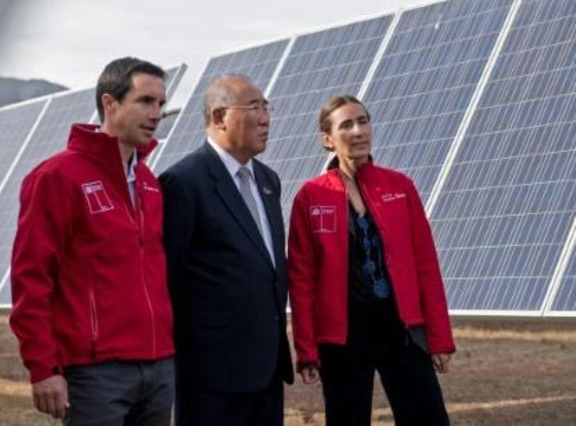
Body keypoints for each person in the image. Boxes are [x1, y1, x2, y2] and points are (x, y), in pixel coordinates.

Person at [10, 57, 175, 425]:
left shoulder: (150, 183)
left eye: (161, 104)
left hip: (158, 368)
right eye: (145, 101)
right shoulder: (57, 177)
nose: (156, 114)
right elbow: (31, 278)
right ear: (109, 103)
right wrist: (43, 367)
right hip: (96, 373)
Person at [287, 95, 455, 425]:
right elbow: (302, 279)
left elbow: (425, 265)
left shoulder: (400, 186)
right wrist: (306, 349)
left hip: (402, 331)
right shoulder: (311, 196)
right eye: (346, 125)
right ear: (327, 139)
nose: (358, 131)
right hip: (343, 337)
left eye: (363, 121)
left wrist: (439, 337)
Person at [159, 74, 293, 426]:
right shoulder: (183, 183)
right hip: (212, 376)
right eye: (254, 107)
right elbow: (168, 282)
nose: (265, 118)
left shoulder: (268, 181)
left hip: (266, 370)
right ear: (219, 117)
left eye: (267, 107)